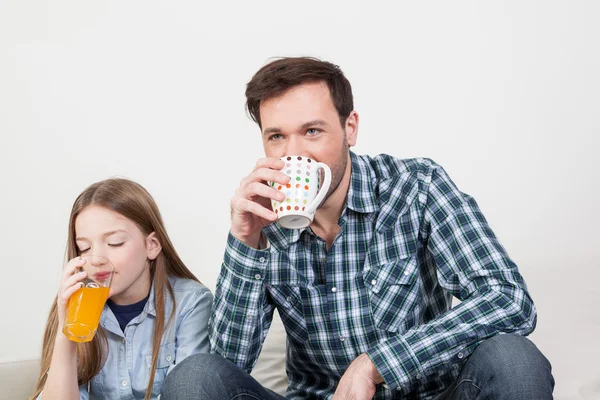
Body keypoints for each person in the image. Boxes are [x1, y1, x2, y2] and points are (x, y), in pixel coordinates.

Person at [163, 57, 554, 399]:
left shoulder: (417, 186)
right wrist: (246, 242)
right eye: (277, 136)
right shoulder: (266, 221)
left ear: (350, 128)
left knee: (513, 359)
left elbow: (509, 300)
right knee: (195, 376)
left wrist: (377, 364)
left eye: (312, 131)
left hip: (430, 395)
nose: (294, 153)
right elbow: (228, 364)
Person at [31, 178, 213, 400]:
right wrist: (65, 333)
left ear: (152, 245)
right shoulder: (74, 308)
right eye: (84, 248)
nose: (96, 259)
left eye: (115, 243)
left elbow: (190, 392)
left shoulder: (190, 303)